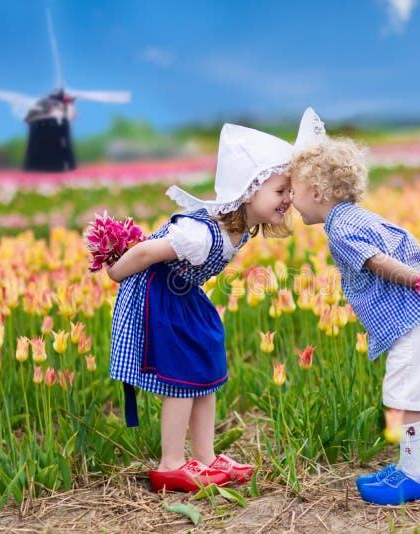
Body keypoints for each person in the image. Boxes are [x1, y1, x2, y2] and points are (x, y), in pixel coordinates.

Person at [106, 123, 295, 492]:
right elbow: (147, 251)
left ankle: (206, 458)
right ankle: (171, 463)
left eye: (289, 190)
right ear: (247, 191)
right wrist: (115, 272)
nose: (288, 198)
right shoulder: (200, 232)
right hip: (161, 298)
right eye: (280, 190)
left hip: (185, 296)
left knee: (205, 371)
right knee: (182, 380)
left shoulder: (240, 230)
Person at [287, 108, 420, 505]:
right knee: (404, 396)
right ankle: (408, 467)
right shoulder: (360, 216)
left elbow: (376, 262)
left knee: (402, 399)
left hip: (417, 322)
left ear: (316, 193)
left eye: (293, 191)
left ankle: (415, 476)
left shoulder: (342, 230)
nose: (291, 200)